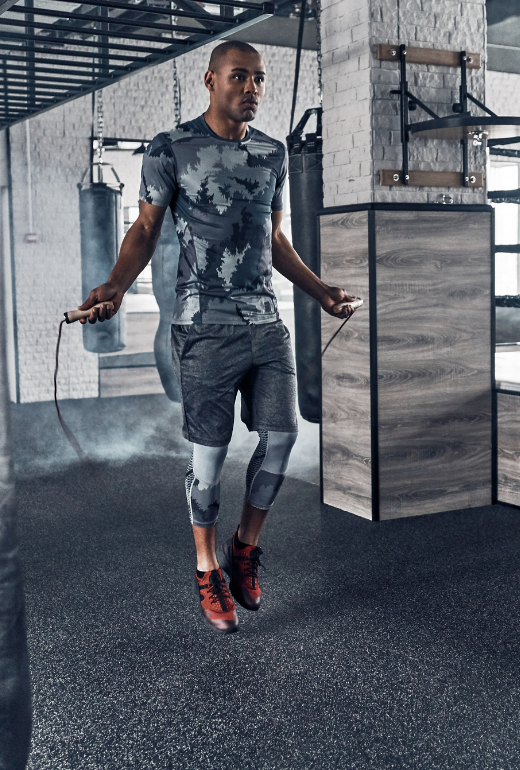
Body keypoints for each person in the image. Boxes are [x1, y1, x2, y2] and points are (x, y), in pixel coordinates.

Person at [78, 40, 358, 634]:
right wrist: (113, 286)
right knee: (209, 462)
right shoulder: (171, 149)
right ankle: (206, 566)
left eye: (259, 79)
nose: (252, 88)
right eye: (240, 77)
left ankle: (243, 549)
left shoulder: (273, 154)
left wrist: (323, 291)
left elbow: (277, 242)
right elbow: (145, 230)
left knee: (282, 439)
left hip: (266, 326)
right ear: (210, 80)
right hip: (203, 328)